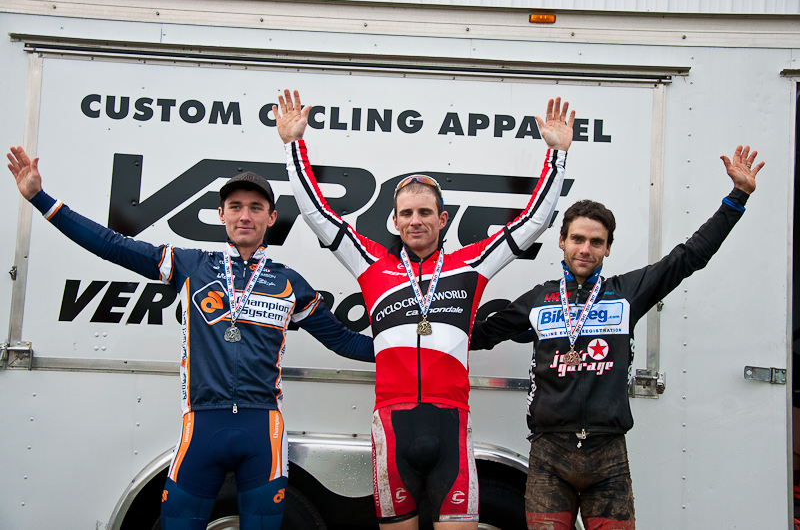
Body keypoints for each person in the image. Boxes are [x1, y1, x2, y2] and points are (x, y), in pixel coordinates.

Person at [6, 147, 374, 530]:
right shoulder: (191, 266)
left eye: (254, 207)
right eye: (235, 206)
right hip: (201, 427)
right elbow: (111, 245)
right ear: (221, 214)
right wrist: (40, 198)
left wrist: (416, 350)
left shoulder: (289, 282)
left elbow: (344, 342)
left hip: (263, 431)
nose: (244, 215)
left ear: (272, 217)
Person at [273, 89, 574, 529]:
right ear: (395, 220)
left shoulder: (470, 264)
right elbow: (318, 214)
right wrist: (292, 145)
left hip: (450, 421)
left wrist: (556, 156)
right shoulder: (372, 263)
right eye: (407, 213)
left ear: (442, 218)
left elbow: (532, 223)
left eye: (426, 212)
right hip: (392, 428)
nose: (416, 220)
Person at [469, 145, 764, 530]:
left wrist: (737, 197)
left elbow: (688, 256)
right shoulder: (539, 298)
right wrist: (409, 332)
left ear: (608, 247)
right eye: (577, 239)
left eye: (595, 241)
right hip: (548, 454)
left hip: (607, 455)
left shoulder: (628, 293)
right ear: (562, 241)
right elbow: (479, 334)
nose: (585, 249)